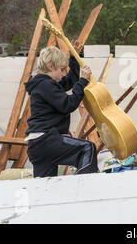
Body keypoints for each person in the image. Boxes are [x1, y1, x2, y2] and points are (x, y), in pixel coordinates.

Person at [24, 43, 98, 177]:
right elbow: (68, 105)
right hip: (46, 140)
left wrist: (74, 59)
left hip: (37, 146)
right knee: (88, 149)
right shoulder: (45, 85)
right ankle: (85, 192)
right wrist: (83, 81)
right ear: (51, 65)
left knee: (45, 186)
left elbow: (69, 81)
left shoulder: (44, 83)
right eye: (62, 69)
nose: (64, 73)